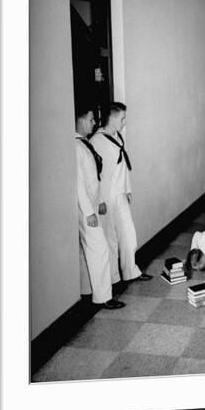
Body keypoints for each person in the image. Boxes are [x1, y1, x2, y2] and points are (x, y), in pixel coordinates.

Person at [90, 102, 152, 284]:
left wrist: (128, 189)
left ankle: (130, 271)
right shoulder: (97, 141)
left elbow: (122, 167)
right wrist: (100, 200)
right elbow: (95, 176)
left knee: (128, 234)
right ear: (112, 118)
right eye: (122, 118)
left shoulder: (117, 136)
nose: (124, 122)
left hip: (120, 195)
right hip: (106, 197)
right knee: (110, 239)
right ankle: (113, 279)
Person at [75, 109, 125, 309]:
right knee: (100, 249)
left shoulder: (83, 144)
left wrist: (101, 200)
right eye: (90, 119)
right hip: (85, 208)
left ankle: (86, 290)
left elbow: (95, 177)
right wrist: (88, 212)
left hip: (93, 204)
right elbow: (78, 183)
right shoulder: (76, 147)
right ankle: (104, 297)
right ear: (79, 120)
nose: (93, 122)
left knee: (87, 250)